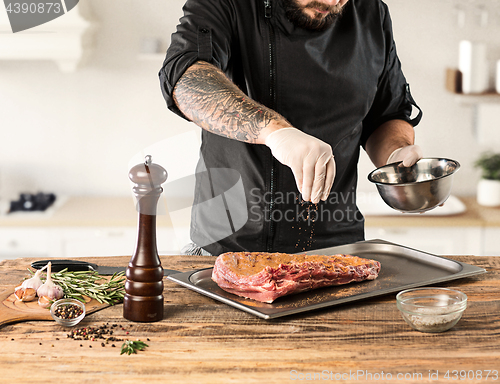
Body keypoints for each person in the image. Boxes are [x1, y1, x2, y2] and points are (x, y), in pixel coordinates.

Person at [159, 0, 423, 256]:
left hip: (338, 249)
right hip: (228, 246)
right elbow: (186, 79)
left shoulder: (372, 13)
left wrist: (395, 156)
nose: (332, 1)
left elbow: (386, 114)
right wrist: (275, 133)